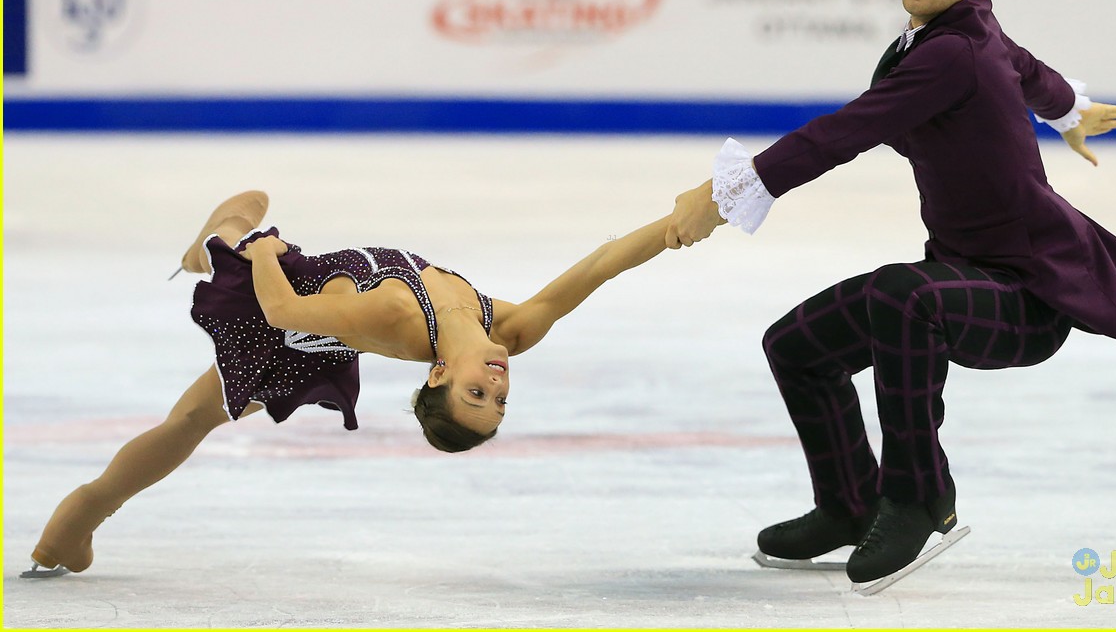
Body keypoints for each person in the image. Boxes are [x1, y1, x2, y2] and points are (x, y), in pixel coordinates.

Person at [666, 0, 1116, 585]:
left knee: (902, 297)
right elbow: (1028, 68)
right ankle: (849, 504)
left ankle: (918, 495)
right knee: (796, 348)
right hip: (961, 274)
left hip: (1024, 298)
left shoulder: (952, 54)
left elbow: (842, 134)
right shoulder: (970, 31)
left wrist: (729, 194)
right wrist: (1071, 109)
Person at [26, 190, 676, 577]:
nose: (497, 386)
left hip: (282, 310)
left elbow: (280, 311)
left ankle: (78, 519)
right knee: (192, 416)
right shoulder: (511, 326)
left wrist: (255, 252)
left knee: (245, 218)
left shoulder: (396, 317)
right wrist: (689, 218)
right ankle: (73, 530)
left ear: (440, 373)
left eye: (476, 395)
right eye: (499, 401)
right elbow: (601, 264)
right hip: (318, 318)